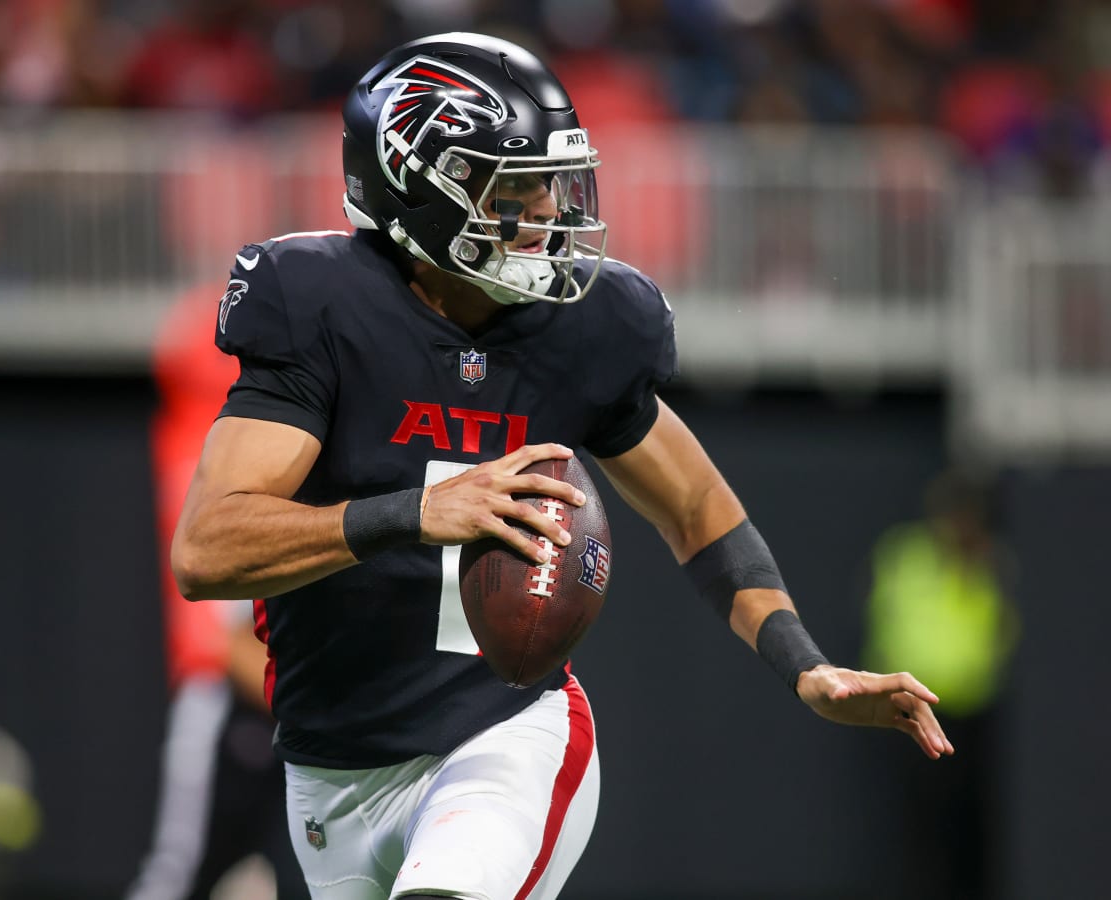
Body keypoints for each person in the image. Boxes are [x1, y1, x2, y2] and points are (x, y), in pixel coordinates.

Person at [170, 32, 954, 900]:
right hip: (329, 775)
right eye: (517, 186)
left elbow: (696, 506)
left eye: (553, 180)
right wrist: (412, 512)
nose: (549, 209)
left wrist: (807, 664)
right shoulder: (320, 306)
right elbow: (206, 552)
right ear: (419, 187)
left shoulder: (584, 326)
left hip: (499, 741)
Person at [127, 283, 308, 900]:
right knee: (183, 875)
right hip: (244, 703)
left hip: (286, 699)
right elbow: (231, 644)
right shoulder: (240, 453)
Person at [860, 468, 1019, 900]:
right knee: (920, 826)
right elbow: (894, 625)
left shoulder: (990, 564)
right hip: (913, 714)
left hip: (975, 715)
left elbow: (1000, 634)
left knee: (974, 826)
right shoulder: (905, 556)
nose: (959, 526)